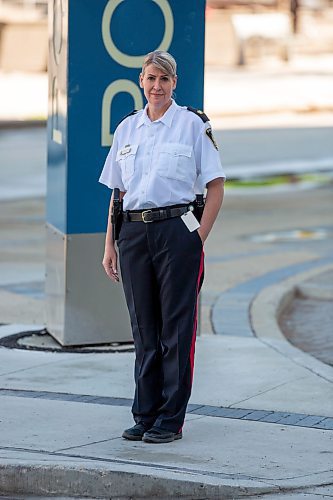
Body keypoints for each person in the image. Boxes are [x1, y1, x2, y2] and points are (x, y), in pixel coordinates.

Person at [99, 50, 225, 444]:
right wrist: (110, 245)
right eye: (151, 78)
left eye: (164, 80)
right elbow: (119, 193)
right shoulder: (127, 128)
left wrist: (197, 237)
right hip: (133, 234)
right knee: (143, 329)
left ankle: (170, 419)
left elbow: (216, 186)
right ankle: (145, 414)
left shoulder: (192, 125)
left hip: (177, 232)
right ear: (141, 80)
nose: (157, 86)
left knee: (176, 329)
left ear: (174, 84)